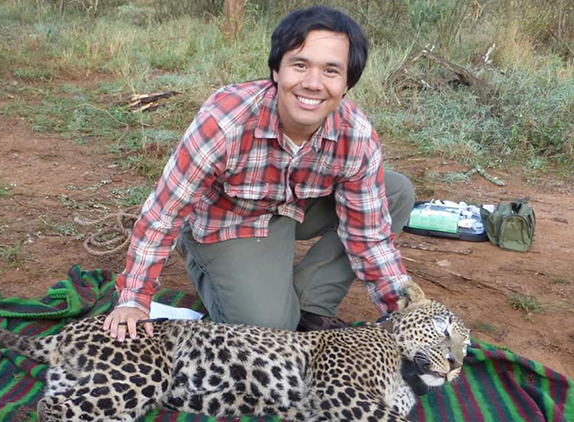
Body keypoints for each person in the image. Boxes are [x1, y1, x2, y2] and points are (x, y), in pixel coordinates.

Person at [103, 5, 415, 341]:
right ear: (276, 70)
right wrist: (134, 299)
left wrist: (404, 311)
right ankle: (200, 258)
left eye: (330, 71)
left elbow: (368, 236)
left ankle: (312, 306)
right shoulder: (225, 123)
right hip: (228, 220)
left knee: (395, 192)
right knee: (268, 332)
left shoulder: (356, 136)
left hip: (293, 208)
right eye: (300, 65)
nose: (312, 84)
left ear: (347, 83)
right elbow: (164, 214)